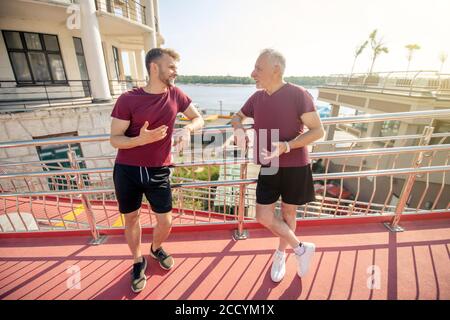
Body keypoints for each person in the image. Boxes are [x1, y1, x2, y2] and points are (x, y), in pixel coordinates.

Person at [110, 48, 204, 293]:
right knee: (131, 218)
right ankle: (137, 260)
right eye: (171, 66)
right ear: (154, 67)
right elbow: (115, 139)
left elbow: (198, 118)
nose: (175, 71)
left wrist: (187, 129)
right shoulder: (128, 99)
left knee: (166, 221)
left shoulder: (176, 95)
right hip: (127, 170)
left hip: (159, 170)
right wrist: (140, 140)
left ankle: (155, 247)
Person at [231, 49, 325, 282]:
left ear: (276, 69)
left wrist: (286, 146)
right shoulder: (257, 98)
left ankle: (281, 253)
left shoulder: (298, 94)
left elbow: (318, 131)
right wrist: (239, 129)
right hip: (269, 164)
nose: (252, 73)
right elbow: (236, 117)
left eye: (258, 69)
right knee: (262, 215)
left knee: (288, 212)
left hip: (295, 164)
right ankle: (301, 247)